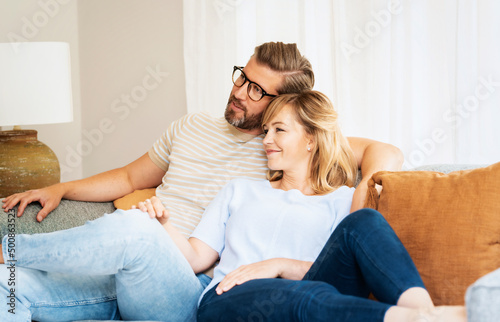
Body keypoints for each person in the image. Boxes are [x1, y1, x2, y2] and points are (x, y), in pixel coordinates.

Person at [0, 42, 403, 321]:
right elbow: (127, 176)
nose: (240, 91)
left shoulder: (282, 147)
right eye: (242, 77)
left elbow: (384, 152)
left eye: (257, 90)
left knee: (137, 232)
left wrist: (361, 197)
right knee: (8, 286)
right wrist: (62, 188)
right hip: (133, 267)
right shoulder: (192, 126)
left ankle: (9, 248)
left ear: (283, 107)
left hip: (187, 280)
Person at [144, 90, 466, 322]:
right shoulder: (239, 190)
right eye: (266, 130)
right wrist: (163, 224)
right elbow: (197, 258)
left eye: (279, 130)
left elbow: (339, 269)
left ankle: (426, 311)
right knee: (306, 298)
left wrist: (280, 265)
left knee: (364, 221)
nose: (267, 139)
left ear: (311, 139)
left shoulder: (342, 199)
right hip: (231, 298)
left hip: (315, 288)